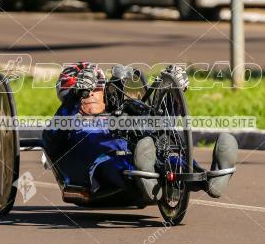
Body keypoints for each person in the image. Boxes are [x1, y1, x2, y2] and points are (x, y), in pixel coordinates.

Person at [41, 62, 237, 203]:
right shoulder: (67, 128)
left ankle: (208, 179)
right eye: (83, 93)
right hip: (101, 175)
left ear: (104, 91)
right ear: (68, 98)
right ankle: (145, 174)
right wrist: (76, 96)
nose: (90, 94)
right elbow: (50, 136)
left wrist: (173, 91)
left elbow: (159, 121)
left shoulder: (120, 112)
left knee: (161, 145)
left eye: (95, 89)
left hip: (145, 153)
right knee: (111, 158)